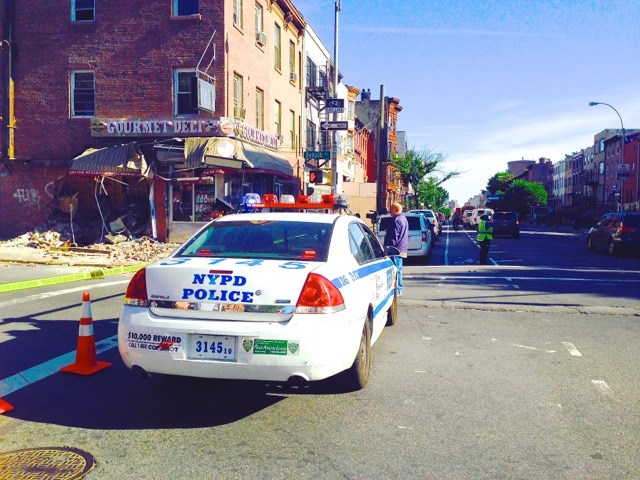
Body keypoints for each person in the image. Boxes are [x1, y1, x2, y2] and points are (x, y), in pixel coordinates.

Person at [383, 202, 409, 296]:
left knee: (396, 270)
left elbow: (394, 237)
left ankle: (397, 290)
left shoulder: (397, 220)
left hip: (395, 249)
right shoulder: (403, 219)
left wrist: (387, 248)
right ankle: (398, 289)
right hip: (401, 248)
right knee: (399, 269)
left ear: (396, 210)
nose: (390, 211)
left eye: (391, 209)